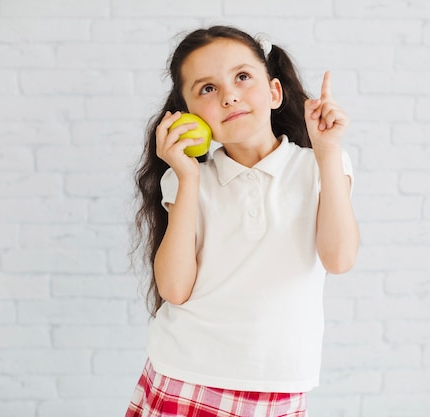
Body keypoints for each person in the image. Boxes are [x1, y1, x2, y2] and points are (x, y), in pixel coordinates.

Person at [127, 25, 359, 417]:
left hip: (278, 382)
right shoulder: (187, 179)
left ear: (274, 91)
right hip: (184, 374)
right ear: (190, 116)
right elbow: (174, 288)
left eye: (242, 77)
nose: (229, 95)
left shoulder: (320, 165)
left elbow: (338, 259)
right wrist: (187, 177)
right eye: (207, 89)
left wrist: (327, 152)